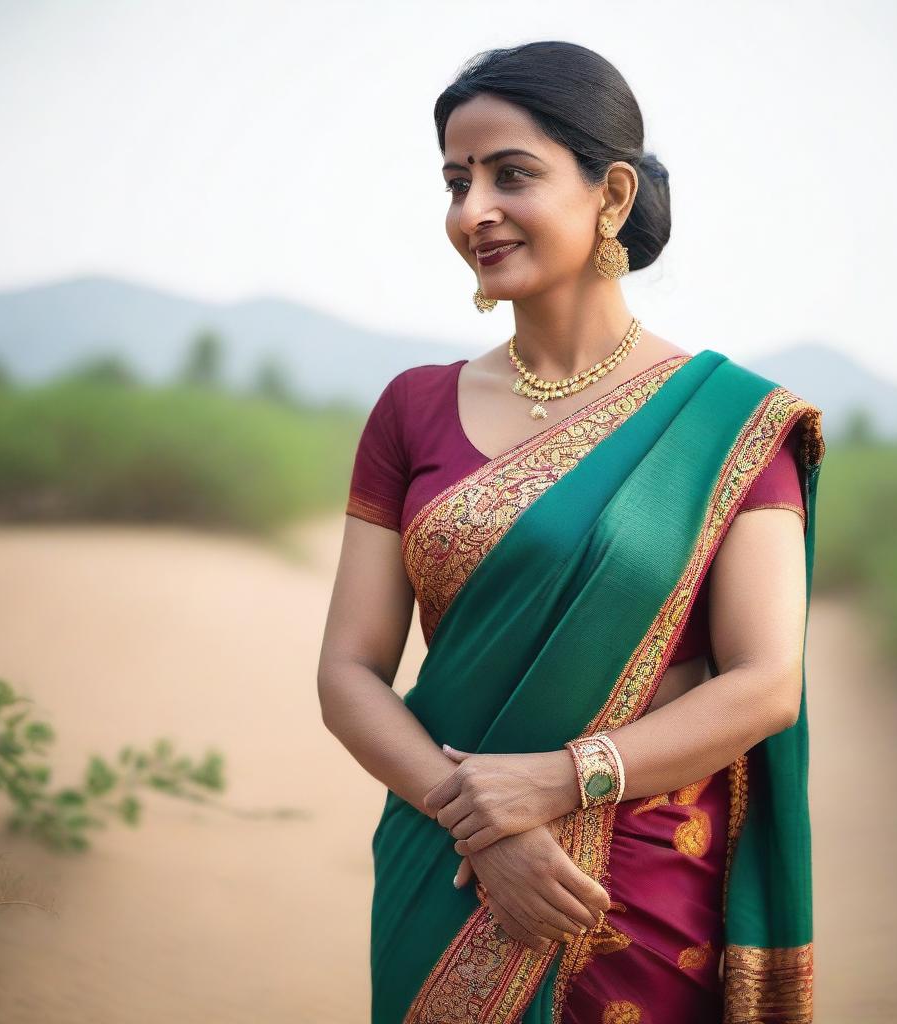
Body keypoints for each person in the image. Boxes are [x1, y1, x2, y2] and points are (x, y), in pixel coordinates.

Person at [318, 40, 824, 1024]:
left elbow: (766, 682)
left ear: (612, 193)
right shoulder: (410, 409)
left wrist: (556, 782)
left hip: (631, 878)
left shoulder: (725, 424)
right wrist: (481, 826)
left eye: (512, 175)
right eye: (456, 181)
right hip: (444, 861)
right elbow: (347, 670)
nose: (474, 212)